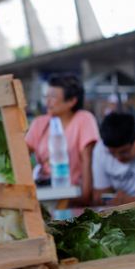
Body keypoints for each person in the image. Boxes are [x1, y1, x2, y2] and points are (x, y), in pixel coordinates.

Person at [25, 74, 100, 204]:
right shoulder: (39, 123)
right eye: (46, 96)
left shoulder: (84, 119)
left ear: (72, 101)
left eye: (53, 97)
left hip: (73, 195)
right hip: (43, 193)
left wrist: (85, 199)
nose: (47, 102)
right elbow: (21, 156)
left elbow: (87, 159)